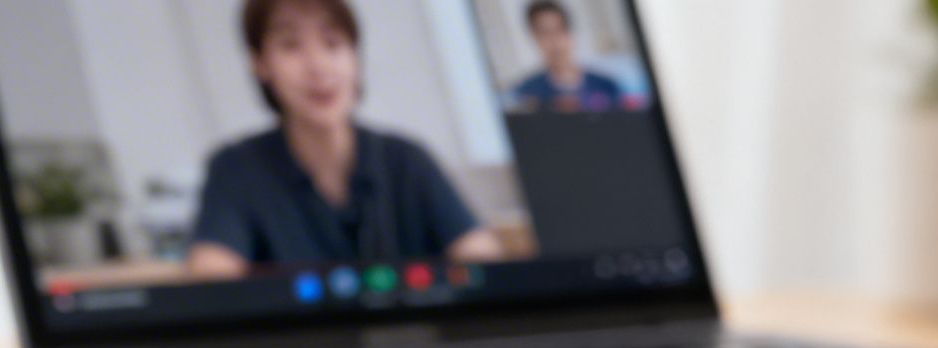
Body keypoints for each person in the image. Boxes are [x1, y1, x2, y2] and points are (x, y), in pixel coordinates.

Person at [187, 0, 505, 278]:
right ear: (260, 64)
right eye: (290, 45)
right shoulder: (235, 170)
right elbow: (212, 283)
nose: (318, 66)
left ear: (355, 57)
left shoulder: (408, 160)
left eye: (333, 42)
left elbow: (485, 264)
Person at [511, 1, 624, 112]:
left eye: (559, 30)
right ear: (534, 37)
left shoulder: (607, 87)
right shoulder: (526, 95)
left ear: (570, 32)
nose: (554, 41)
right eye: (544, 33)